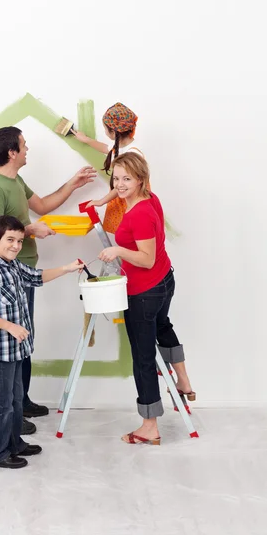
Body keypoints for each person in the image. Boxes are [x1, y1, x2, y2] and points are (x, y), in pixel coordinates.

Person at [0, 126, 97, 435]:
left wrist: (73, 184)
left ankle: (24, 400)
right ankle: (15, 412)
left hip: (27, 269)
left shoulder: (15, 180)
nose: (27, 148)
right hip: (11, 276)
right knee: (16, 340)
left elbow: (43, 206)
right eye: (23, 145)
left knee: (26, 339)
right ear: (12, 152)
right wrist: (31, 231)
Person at [97, 152, 195, 445]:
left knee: (142, 358)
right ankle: (184, 382)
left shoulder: (139, 213)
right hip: (165, 281)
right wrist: (104, 199)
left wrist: (118, 251)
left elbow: (147, 258)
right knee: (163, 326)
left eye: (127, 179)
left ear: (141, 179)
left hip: (144, 292)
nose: (120, 184)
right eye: (116, 178)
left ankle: (149, 426)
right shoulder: (150, 198)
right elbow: (120, 188)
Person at [0, 215, 84, 468]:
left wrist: (66, 268)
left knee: (15, 398)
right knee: (1, 402)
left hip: (16, 350)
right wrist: (10, 326)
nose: (15, 246)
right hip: (0, 351)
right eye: (10, 240)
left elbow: (36, 277)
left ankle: (14, 444)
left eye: (20, 241)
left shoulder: (13, 266)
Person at [74, 102, 144, 234]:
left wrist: (101, 201)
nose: (105, 132)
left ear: (113, 131)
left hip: (133, 204)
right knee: (125, 239)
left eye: (105, 129)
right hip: (127, 201)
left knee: (132, 238)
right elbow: (107, 149)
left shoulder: (132, 154)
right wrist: (87, 140)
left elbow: (123, 186)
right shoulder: (122, 147)